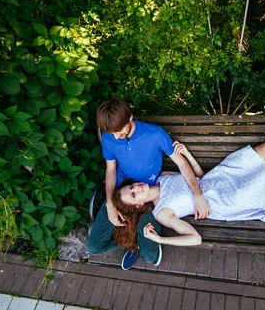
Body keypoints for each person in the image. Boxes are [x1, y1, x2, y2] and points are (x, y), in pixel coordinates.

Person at [110, 91, 265, 249]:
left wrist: (188, 156)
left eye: (131, 187)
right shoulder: (164, 213)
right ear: (138, 206)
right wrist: (162, 240)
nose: (136, 188)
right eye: (134, 195)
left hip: (221, 176)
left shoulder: (163, 179)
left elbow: (198, 178)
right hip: (228, 198)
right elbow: (194, 239)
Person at [86, 98, 211, 270]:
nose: (115, 137)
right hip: (122, 194)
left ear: (130, 118)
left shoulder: (155, 134)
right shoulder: (109, 137)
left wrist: (198, 195)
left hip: (148, 197)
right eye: (110, 133)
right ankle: (133, 242)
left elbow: (182, 164)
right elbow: (111, 171)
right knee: (93, 247)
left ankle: (137, 242)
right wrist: (109, 204)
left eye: (118, 131)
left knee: (149, 257)